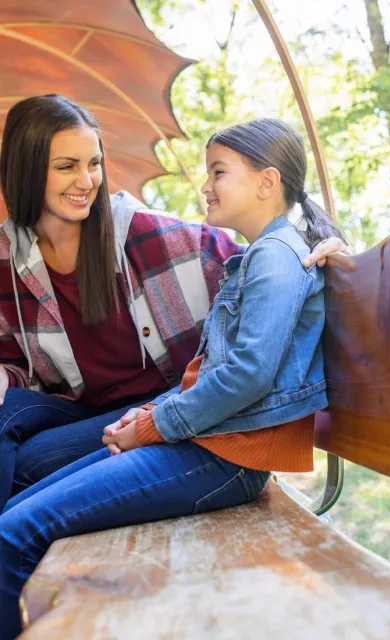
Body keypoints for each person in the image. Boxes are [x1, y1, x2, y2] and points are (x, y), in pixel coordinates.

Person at [0, 117, 339, 640]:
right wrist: (152, 415)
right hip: (208, 439)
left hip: (229, 455)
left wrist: (153, 424)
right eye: (66, 166)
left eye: (217, 172)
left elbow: (247, 375)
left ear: (267, 182)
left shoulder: (275, 256)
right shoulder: (259, 257)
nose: (205, 186)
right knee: (18, 510)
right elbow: (220, 370)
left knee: (14, 531)